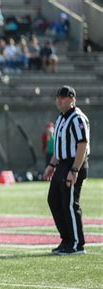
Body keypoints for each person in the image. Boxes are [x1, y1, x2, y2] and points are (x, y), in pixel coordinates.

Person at [44, 85, 90, 255]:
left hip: (74, 163)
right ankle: (67, 239)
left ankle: (77, 244)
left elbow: (82, 145)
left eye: (62, 97)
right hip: (62, 165)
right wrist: (51, 165)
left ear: (72, 100)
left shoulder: (77, 118)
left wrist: (75, 169)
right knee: (54, 200)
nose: (59, 100)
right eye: (57, 97)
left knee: (70, 204)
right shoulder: (61, 118)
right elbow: (59, 146)